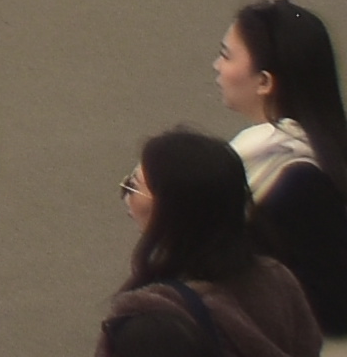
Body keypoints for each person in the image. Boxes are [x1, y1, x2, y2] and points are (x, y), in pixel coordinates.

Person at [107, 134, 330, 357]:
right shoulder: (277, 279)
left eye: (133, 186)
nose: (126, 195)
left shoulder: (153, 324)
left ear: (170, 207)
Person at [226, 2, 347, 332]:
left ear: (264, 81)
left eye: (226, 56)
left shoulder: (293, 177)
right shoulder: (326, 156)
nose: (217, 67)